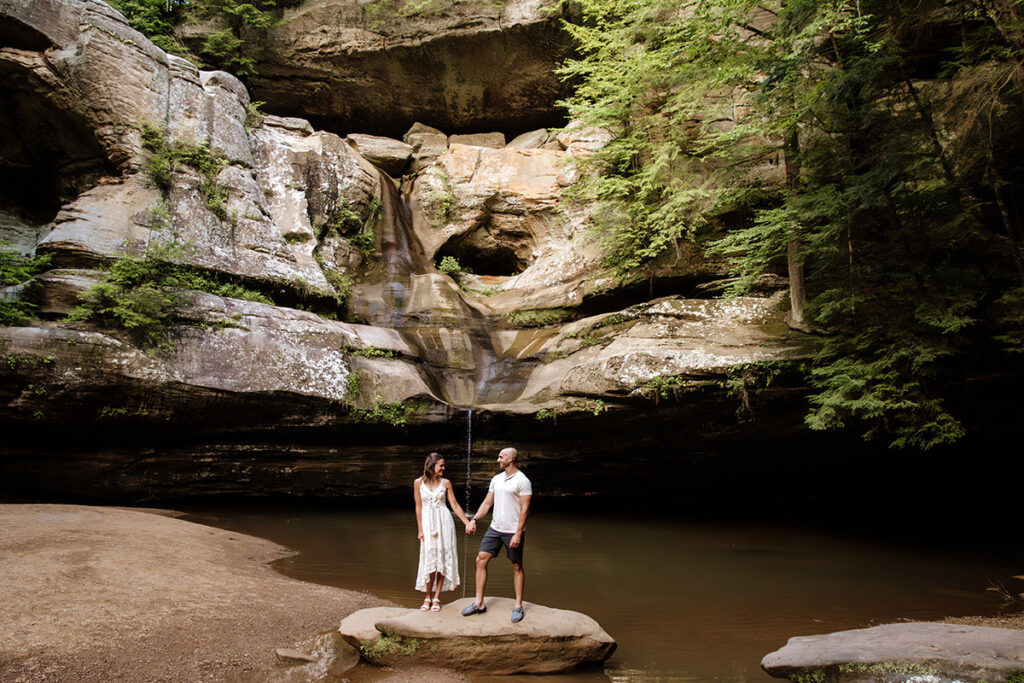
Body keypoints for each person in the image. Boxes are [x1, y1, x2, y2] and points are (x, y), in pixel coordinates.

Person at [461, 447, 532, 623]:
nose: (497, 460)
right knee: (480, 560)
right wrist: (474, 519)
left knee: (516, 565)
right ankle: (479, 603)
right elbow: (487, 503)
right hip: (495, 529)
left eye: (501, 457)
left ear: (511, 459)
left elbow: (525, 510)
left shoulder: (523, 481)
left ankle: (518, 606)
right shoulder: (497, 479)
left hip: (513, 531)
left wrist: (517, 533)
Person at [414, 452, 472, 612]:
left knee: (442, 561)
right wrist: (420, 529)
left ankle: (437, 596)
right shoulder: (418, 483)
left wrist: (467, 523)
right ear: (432, 466)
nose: (443, 468)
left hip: (444, 523)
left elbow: (454, 505)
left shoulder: (446, 483)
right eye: (441, 465)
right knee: (429, 560)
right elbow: (418, 507)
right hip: (427, 523)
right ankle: (427, 596)